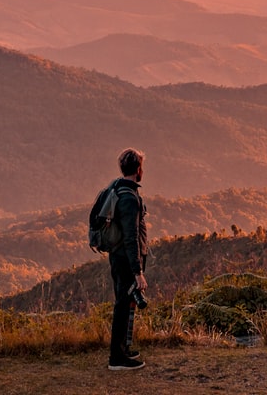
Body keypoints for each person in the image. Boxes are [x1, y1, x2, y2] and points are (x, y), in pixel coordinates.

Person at [106, 147, 149, 371]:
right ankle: (117, 358)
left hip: (119, 257)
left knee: (127, 303)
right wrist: (138, 272)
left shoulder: (119, 189)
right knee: (123, 305)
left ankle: (123, 348)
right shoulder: (129, 198)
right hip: (126, 260)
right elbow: (131, 238)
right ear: (138, 169)